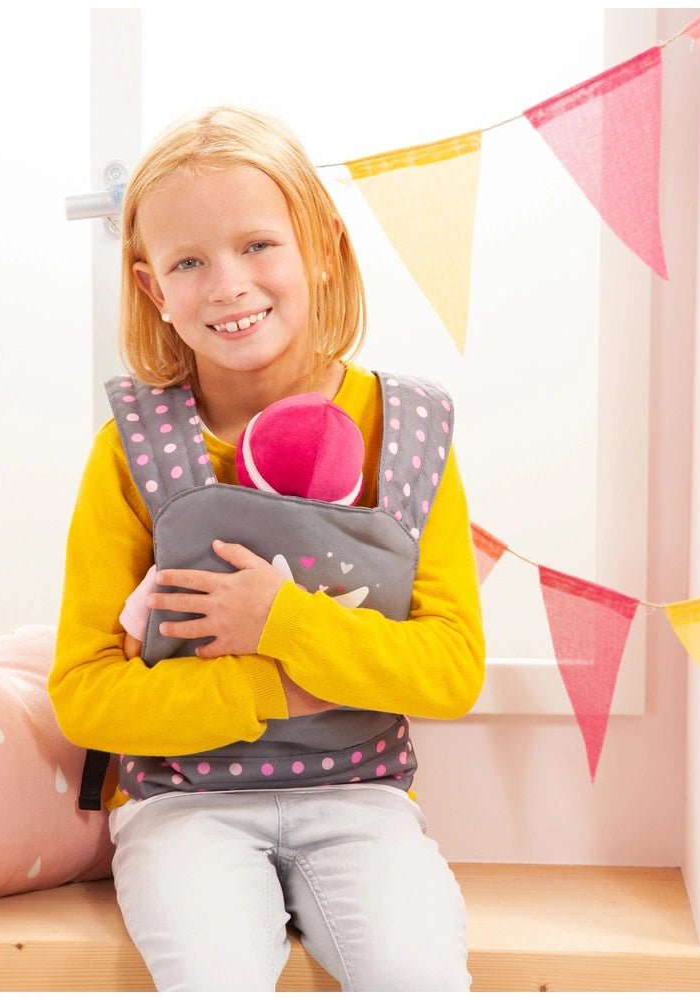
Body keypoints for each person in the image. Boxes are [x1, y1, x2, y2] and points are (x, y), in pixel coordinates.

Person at [49, 105, 486, 992]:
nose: (227, 285)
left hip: (361, 802)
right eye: (188, 263)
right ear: (151, 290)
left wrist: (281, 620)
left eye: (257, 245)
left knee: (417, 974)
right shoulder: (130, 448)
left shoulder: (406, 430)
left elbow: (450, 669)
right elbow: (85, 693)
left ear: (322, 247)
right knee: (212, 978)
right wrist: (261, 684)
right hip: (183, 807)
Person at [121, 391, 368, 660]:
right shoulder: (360, 561)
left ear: (244, 465)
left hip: (208, 692)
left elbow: (134, 648)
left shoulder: (203, 543)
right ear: (352, 497)